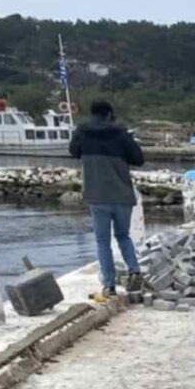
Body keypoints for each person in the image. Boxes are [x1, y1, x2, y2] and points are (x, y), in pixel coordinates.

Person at [68, 100, 145, 299]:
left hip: (97, 196)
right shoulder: (121, 134)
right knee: (123, 236)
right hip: (122, 195)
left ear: (92, 113)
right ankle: (134, 270)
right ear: (109, 113)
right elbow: (139, 159)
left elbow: (73, 152)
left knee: (102, 242)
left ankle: (109, 286)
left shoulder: (82, 132)